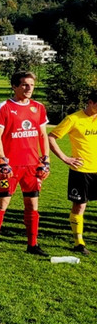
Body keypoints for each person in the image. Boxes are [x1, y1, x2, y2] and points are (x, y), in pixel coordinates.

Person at [0, 71, 50, 257]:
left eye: (31, 84)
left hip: (32, 167)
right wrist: (2, 161)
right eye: (24, 84)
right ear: (14, 86)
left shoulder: (38, 107)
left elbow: (43, 135)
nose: (29, 88)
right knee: (2, 203)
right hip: (11, 168)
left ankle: (32, 245)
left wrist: (45, 159)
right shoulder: (4, 107)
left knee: (32, 205)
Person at [47, 88, 97, 255]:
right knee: (79, 206)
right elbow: (51, 137)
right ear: (90, 103)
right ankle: (79, 242)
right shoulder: (73, 119)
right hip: (82, 171)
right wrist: (65, 158)